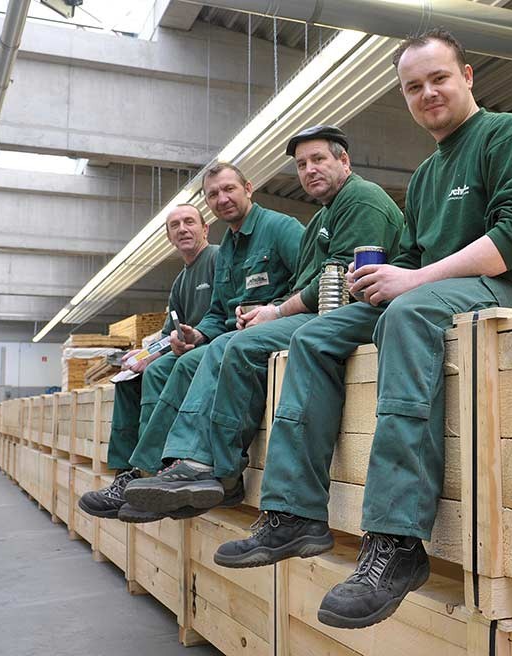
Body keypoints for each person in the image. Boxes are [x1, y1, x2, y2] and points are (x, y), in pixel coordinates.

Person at [214, 28, 512, 630]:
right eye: (413, 86)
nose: (427, 93)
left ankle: (396, 540)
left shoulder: (509, 135)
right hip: (444, 291)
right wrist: (382, 279)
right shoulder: (430, 172)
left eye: (439, 78)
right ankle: (296, 513)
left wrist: (414, 282)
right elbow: (411, 256)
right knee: (314, 335)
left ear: (467, 77)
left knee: (409, 312)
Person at [122, 126, 404, 522]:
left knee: (234, 347)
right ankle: (168, 469)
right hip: (306, 315)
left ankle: (213, 470)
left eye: (318, 159)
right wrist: (225, 324)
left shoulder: (357, 201)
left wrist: (275, 311)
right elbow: (295, 286)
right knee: (205, 353)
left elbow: (337, 280)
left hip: (347, 314)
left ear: (344, 160)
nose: (309, 170)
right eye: (301, 165)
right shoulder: (321, 217)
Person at [79, 163, 303, 521]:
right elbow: (217, 312)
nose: (222, 198)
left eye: (229, 189)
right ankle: (153, 476)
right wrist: (197, 334)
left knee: (192, 362)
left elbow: (310, 281)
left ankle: (165, 470)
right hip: (227, 337)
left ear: (248, 188)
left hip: (266, 333)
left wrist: (275, 310)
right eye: (213, 194)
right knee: (162, 369)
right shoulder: (226, 250)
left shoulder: (280, 228)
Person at [77, 204, 217, 519]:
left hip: (209, 345)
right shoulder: (180, 281)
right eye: (175, 225)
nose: (183, 229)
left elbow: (221, 313)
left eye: (189, 222)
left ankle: (150, 471)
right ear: (169, 237)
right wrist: (140, 355)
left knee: (155, 372)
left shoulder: (217, 260)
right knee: (128, 381)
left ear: (205, 228)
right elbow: (168, 332)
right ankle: (125, 472)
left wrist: (158, 355)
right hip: (182, 349)